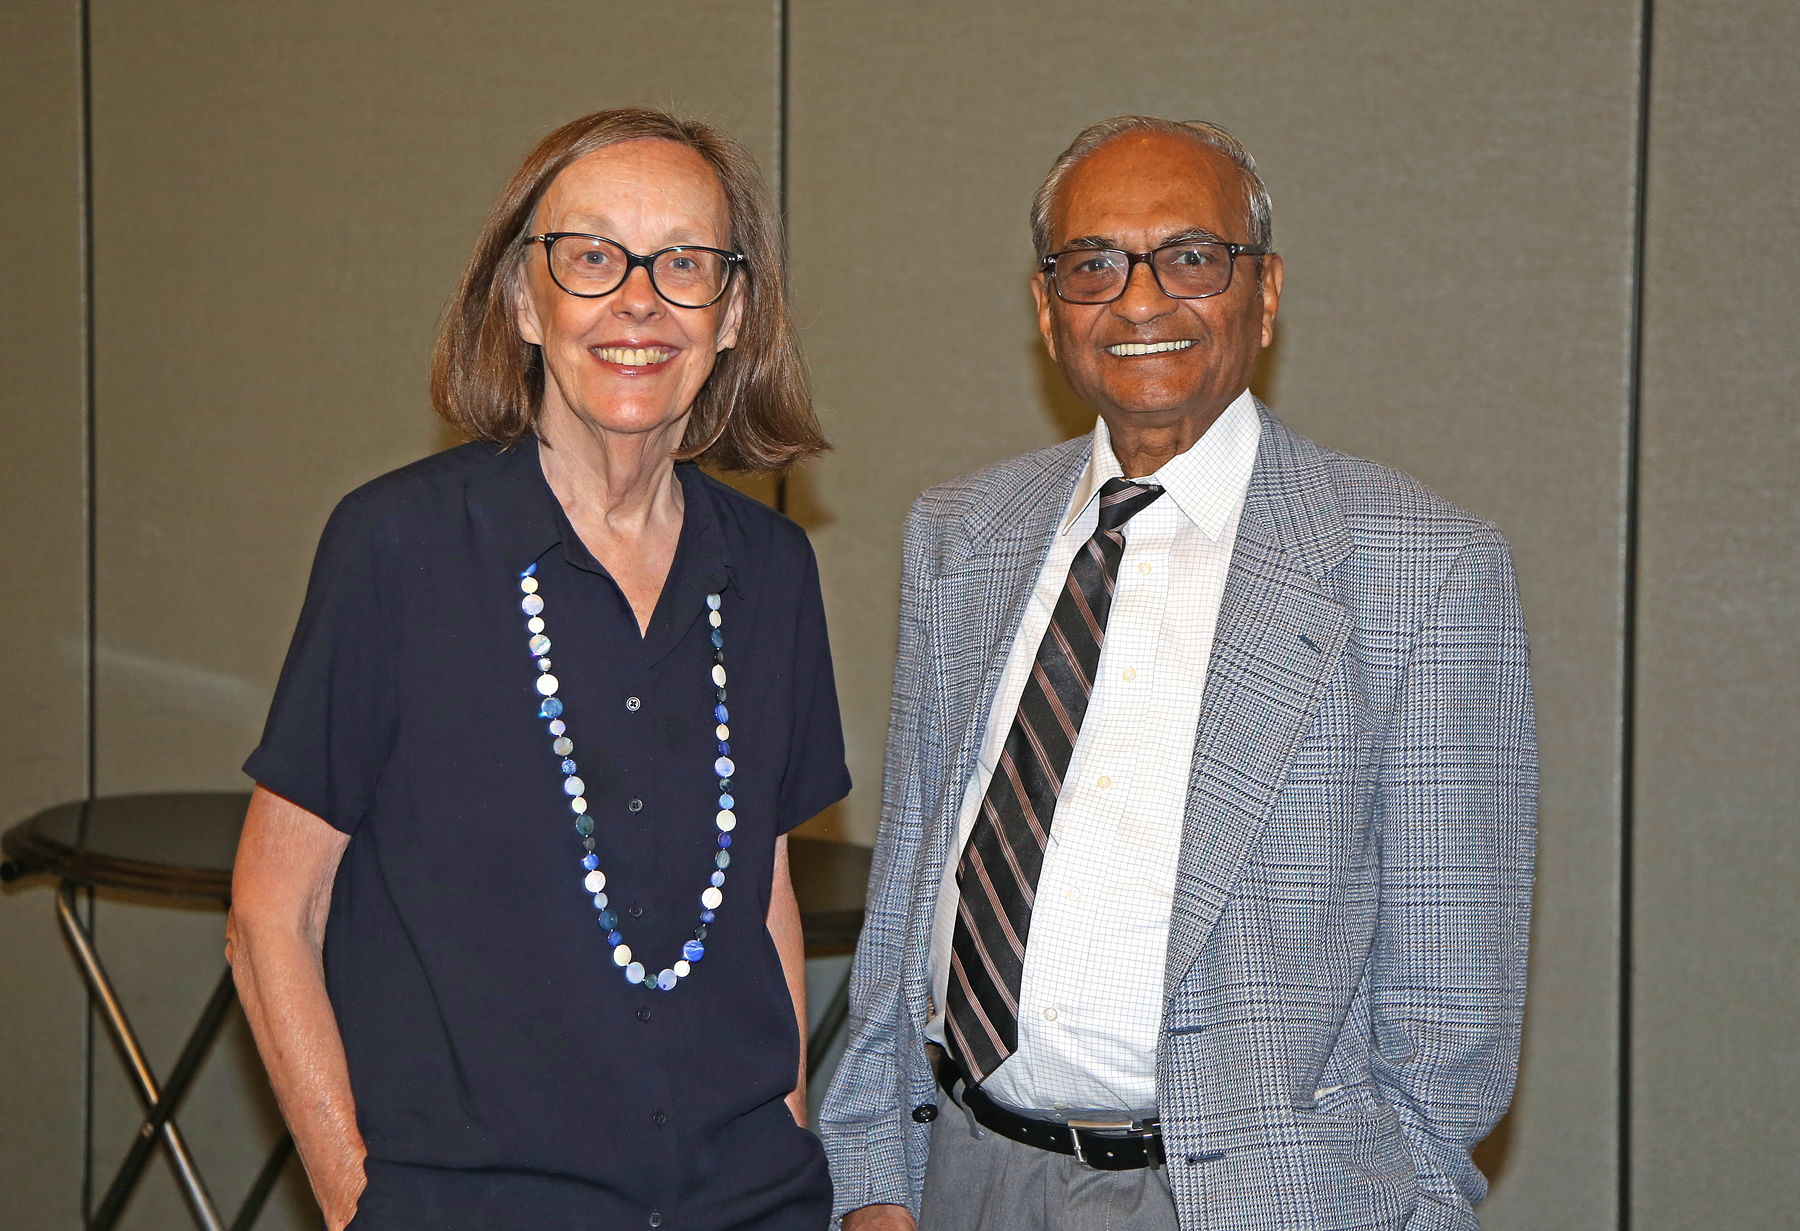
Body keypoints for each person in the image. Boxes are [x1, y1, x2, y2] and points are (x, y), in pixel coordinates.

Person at [819, 116, 1536, 1231]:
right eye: (1092, 263)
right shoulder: (961, 535)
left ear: (1266, 289)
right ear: (1046, 305)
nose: (1141, 301)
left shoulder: (1421, 567)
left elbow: (1455, 1013)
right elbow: (914, 888)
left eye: (1191, 257)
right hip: (959, 1178)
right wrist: (871, 1175)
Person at [227, 108, 848, 1231]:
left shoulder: (771, 571)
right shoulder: (397, 548)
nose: (640, 301)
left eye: (686, 264)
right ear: (524, 300)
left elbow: (764, 897)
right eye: (594, 256)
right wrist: (356, 1205)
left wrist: (791, 1141)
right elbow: (272, 912)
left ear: (734, 315)